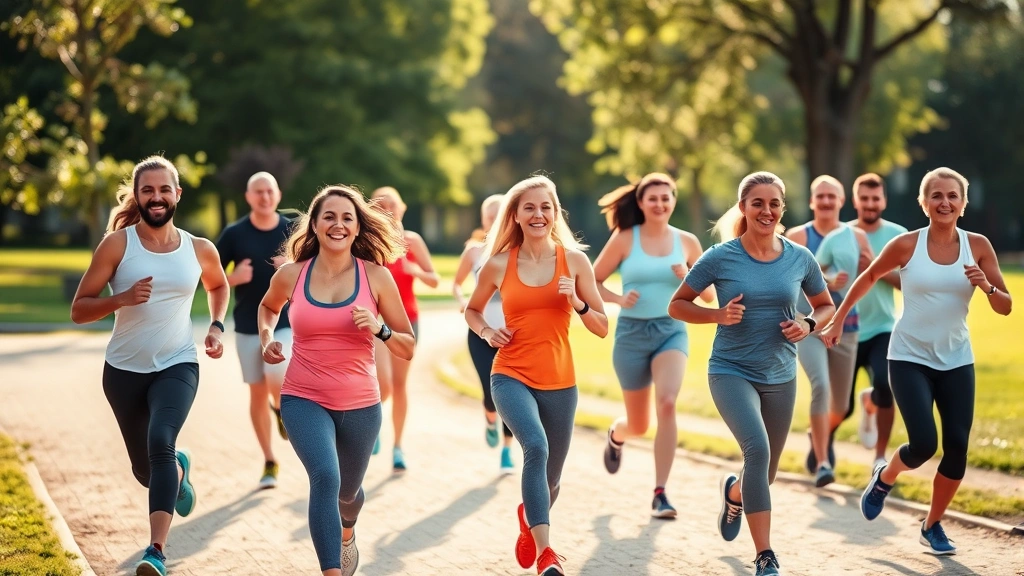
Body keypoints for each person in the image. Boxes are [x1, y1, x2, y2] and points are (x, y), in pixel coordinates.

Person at [822, 167, 1012, 556]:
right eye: (936, 196)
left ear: (963, 202)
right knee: (924, 443)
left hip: (957, 358)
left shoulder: (978, 245)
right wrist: (838, 319)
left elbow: (1005, 306)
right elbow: (870, 276)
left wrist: (986, 285)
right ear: (923, 203)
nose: (945, 202)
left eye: (952, 196)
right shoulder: (907, 244)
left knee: (957, 446)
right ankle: (885, 476)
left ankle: (933, 524)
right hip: (908, 355)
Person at [71, 156, 230, 576]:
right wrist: (119, 299)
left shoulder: (199, 249)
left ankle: (156, 551)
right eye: (147, 190)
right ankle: (180, 466)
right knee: (147, 471)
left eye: (164, 190)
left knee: (160, 440)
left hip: (178, 363)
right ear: (137, 197)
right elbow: (79, 310)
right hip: (123, 371)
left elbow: (218, 284)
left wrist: (215, 326)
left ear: (178, 194)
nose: (156, 197)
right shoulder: (118, 245)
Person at [669, 171, 834, 576]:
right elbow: (678, 305)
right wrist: (716, 315)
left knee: (767, 471)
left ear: (782, 208)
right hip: (730, 370)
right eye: (757, 203)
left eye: (774, 203)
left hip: (780, 373)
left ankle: (735, 491)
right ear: (743, 207)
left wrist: (809, 325)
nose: (767, 210)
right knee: (756, 451)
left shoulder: (800, 257)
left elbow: (825, 305)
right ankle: (765, 556)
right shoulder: (721, 256)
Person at [258, 185, 415, 576]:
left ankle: (347, 533)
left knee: (347, 494)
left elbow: (408, 346)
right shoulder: (292, 274)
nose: (338, 224)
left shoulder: (376, 277)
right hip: (302, 397)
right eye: (329, 216)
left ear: (359, 227)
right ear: (314, 224)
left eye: (347, 217)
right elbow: (267, 307)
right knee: (325, 479)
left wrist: (380, 330)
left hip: (361, 404)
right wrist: (267, 338)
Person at [465, 175, 608, 576]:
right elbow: (472, 310)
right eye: (529, 207)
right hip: (510, 373)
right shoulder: (498, 264)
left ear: (555, 212)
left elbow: (601, 326)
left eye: (545, 207)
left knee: (552, 481)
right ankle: (547, 553)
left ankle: (529, 519)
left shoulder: (575, 261)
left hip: (561, 381)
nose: (538, 214)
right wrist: (487, 331)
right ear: (515, 215)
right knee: (536, 447)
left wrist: (577, 301)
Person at [591, 173, 714, 518]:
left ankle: (661, 492)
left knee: (668, 403)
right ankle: (617, 435)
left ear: (673, 200)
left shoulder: (688, 242)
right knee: (640, 425)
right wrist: (617, 299)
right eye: (653, 198)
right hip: (630, 334)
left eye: (666, 197)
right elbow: (593, 280)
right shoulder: (624, 239)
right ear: (641, 203)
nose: (660, 203)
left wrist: (686, 277)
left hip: (671, 330)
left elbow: (708, 295)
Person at [784, 175, 872, 487]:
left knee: (841, 406)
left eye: (831, 197)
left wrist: (865, 266)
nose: (825, 201)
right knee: (820, 385)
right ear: (811, 201)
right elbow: (786, 279)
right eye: (819, 196)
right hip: (808, 325)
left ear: (841, 201)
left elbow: (866, 279)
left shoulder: (857, 237)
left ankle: (817, 431)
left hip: (847, 326)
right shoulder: (798, 236)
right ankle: (823, 462)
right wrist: (824, 279)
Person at [216, 171, 293, 489]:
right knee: (257, 391)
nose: (264, 197)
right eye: (258, 192)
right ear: (248, 197)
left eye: (269, 191)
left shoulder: (293, 227)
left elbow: (318, 263)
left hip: (286, 321)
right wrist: (233, 279)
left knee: (278, 377)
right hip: (248, 325)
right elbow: (210, 277)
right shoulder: (234, 233)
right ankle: (269, 460)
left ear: (277, 194)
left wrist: (292, 262)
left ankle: (282, 408)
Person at [370, 186, 440, 472]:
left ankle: (397, 447)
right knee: (383, 383)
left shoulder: (412, 241)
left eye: (392, 205)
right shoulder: (369, 242)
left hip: (408, 321)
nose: (387, 209)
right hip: (377, 322)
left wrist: (417, 272)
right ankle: (372, 425)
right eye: (380, 205)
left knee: (399, 386)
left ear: (402, 208)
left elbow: (435, 279)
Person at [840, 173, 907, 469]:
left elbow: (909, 284)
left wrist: (875, 269)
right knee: (840, 405)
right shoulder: (841, 235)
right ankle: (822, 450)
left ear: (884, 201)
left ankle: (880, 457)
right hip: (847, 329)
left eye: (875, 198)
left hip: (883, 327)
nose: (870, 204)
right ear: (855, 201)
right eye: (864, 199)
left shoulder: (899, 235)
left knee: (885, 385)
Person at [452, 193, 515, 473]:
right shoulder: (474, 251)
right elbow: (456, 283)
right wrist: (462, 301)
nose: (494, 220)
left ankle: (506, 451)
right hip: (479, 333)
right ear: (483, 219)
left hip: (512, 335)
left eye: (499, 214)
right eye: (490, 215)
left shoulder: (518, 249)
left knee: (511, 396)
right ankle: (490, 418)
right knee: (491, 395)